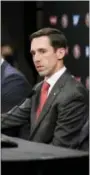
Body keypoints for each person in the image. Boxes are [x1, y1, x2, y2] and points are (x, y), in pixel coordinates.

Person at [1, 28, 89, 150]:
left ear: (60, 53)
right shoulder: (39, 88)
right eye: (33, 53)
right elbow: (12, 117)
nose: (36, 59)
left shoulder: (73, 94)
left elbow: (60, 150)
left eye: (42, 51)